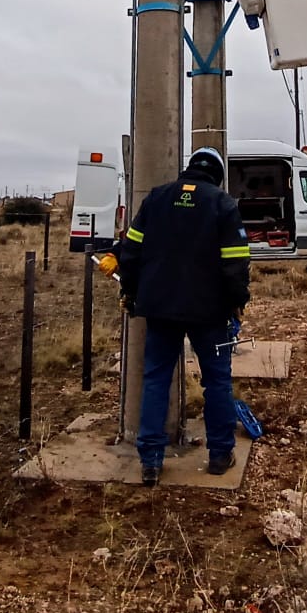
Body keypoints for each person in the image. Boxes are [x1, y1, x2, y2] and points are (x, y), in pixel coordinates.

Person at [118, 146, 251, 486]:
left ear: (189, 169)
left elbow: (130, 251)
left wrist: (130, 292)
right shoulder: (223, 204)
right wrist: (238, 302)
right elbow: (236, 263)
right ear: (217, 175)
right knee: (217, 381)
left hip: (160, 307)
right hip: (211, 310)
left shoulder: (156, 199)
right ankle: (220, 455)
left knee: (156, 379)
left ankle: (150, 461)